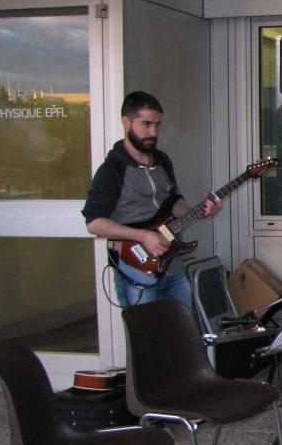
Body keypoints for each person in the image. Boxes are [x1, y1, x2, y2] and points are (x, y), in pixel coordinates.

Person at [82, 91, 221, 308]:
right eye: (146, 124)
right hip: (136, 269)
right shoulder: (112, 170)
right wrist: (143, 236)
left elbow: (172, 206)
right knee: (147, 328)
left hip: (173, 266)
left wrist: (201, 211)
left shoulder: (162, 161)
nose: (153, 132)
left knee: (182, 326)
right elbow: (94, 223)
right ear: (126, 122)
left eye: (157, 124)